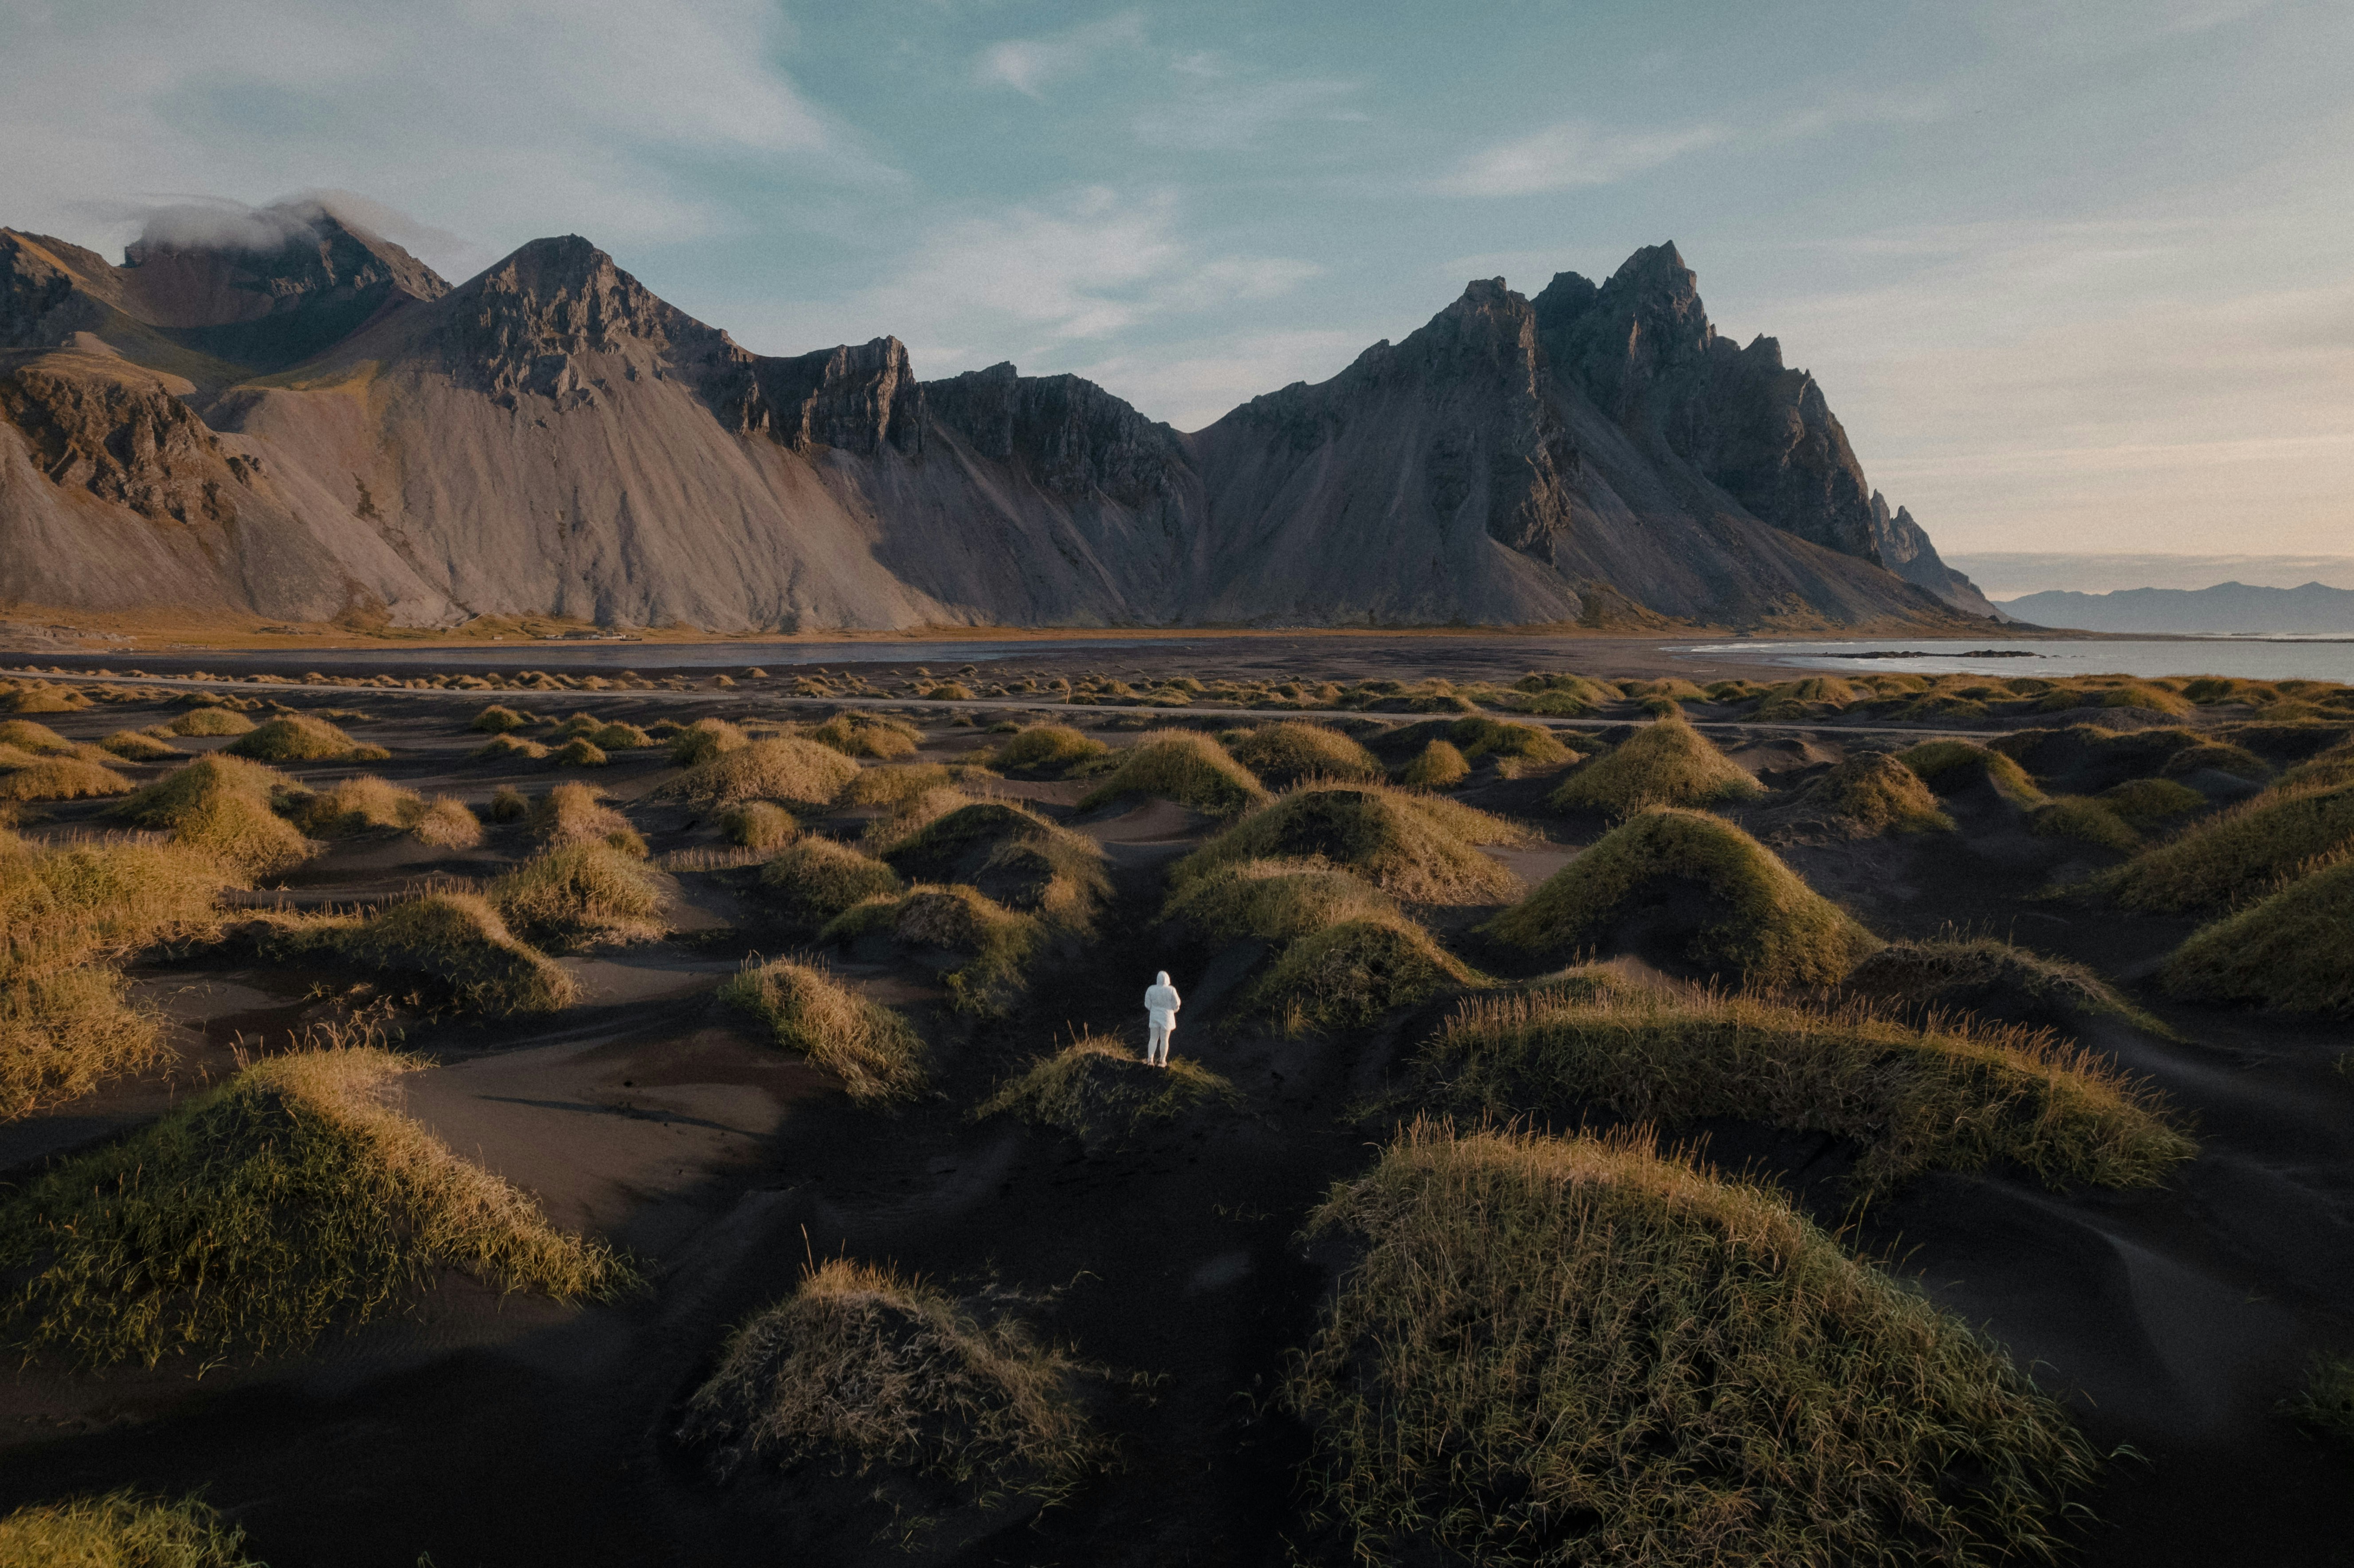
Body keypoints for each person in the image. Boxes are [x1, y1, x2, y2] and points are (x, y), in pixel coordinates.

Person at [1143, 970, 1182, 1066]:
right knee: (1165, 1040)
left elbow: (1147, 1004)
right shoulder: (1171, 990)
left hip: (1155, 1016)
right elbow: (1177, 1003)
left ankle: (1150, 1060)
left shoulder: (1151, 989)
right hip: (1167, 1017)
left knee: (1153, 1039)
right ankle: (1162, 1060)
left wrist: (1153, 1009)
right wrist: (1174, 1010)